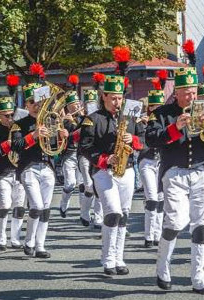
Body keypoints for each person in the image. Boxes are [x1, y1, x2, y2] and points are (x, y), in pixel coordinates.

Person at [146, 67, 204, 295]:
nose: (191, 97)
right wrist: (175, 127)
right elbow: (151, 139)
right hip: (174, 172)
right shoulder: (162, 113)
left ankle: (198, 275)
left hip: (200, 171)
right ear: (176, 92)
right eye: (186, 92)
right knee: (176, 222)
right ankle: (162, 266)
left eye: (193, 91)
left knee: (201, 223)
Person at [79, 75, 144, 276]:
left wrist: (132, 139)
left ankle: (119, 258)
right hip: (103, 171)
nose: (117, 102)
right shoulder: (93, 119)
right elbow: (85, 147)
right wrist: (105, 159)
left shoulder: (130, 116)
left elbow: (144, 140)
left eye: (120, 98)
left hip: (127, 169)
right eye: (113, 98)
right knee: (113, 212)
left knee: (124, 214)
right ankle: (107, 259)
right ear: (103, 96)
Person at [11, 81, 69, 258]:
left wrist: (63, 138)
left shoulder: (51, 120)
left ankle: (40, 245)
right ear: (26, 105)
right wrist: (34, 135)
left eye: (38, 101)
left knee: (45, 208)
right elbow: (16, 146)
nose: (36, 105)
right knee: (35, 205)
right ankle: (29, 241)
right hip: (29, 168)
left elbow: (57, 150)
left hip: (47, 167)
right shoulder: (19, 124)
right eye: (31, 102)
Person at [0, 96, 27, 249]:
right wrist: (6, 145)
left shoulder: (19, 128)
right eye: (6, 115)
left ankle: (15, 238)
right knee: (5, 205)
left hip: (20, 171)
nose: (10, 118)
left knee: (19, 206)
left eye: (12, 115)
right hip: (3, 172)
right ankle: (0, 237)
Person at [139, 84, 164, 248]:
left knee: (161, 200)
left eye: (159, 106)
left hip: (161, 161)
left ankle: (157, 234)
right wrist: (144, 126)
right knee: (152, 198)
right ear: (149, 107)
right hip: (147, 161)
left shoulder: (165, 121)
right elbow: (140, 144)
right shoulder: (142, 122)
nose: (157, 109)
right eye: (154, 106)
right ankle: (148, 236)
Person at [78, 89, 103, 229]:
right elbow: (72, 137)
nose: (90, 106)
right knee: (88, 185)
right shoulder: (80, 119)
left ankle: (98, 217)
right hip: (84, 155)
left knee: (99, 185)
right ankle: (85, 212)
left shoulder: (100, 117)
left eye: (92, 103)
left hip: (98, 155)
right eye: (88, 103)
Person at [59, 89, 86, 221]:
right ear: (67, 106)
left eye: (77, 103)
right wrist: (64, 122)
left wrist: (83, 116)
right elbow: (61, 137)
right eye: (72, 104)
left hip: (81, 153)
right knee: (70, 183)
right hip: (69, 153)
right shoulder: (63, 120)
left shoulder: (85, 118)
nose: (75, 106)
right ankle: (63, 205)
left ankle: (83, 213)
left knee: (82, 184)